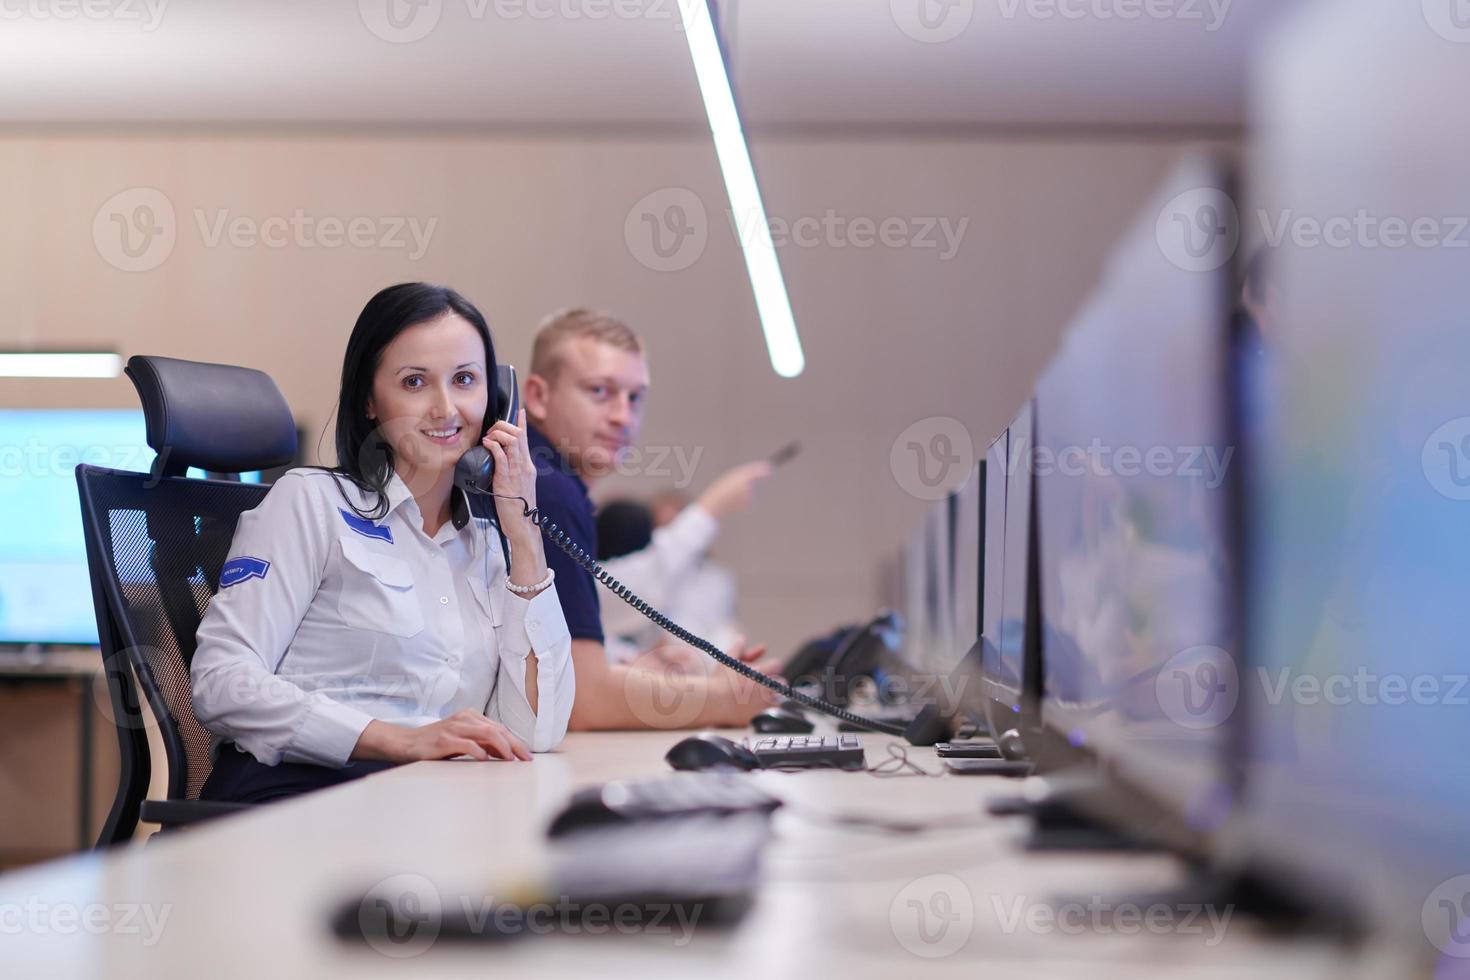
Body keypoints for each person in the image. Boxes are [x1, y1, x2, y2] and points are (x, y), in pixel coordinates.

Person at [191, 283, 574, 804]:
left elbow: (538, 733)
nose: (445, 408)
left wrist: (525, 535)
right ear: (370, 400)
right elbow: (222, 681)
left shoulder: (487, 543)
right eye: (414, 382)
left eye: (465, 379)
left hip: (420, 804)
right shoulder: (311, 502)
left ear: (495, 398)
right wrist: (396, 739)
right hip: (301, 797)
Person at [521, 308, 784, 730]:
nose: (623, 416)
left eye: (635, 397)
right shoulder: (546, 489)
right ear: (538, 396)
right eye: (599, 391)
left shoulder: (545, 478)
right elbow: (582, 700)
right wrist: (720, 700)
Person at [596, 462, 770, 666]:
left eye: (673, 529)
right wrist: (715, 504)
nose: (664, 539)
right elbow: (650, 576)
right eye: (662, 530)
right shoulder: (620, 582)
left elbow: (723, 633)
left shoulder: (715, 579)